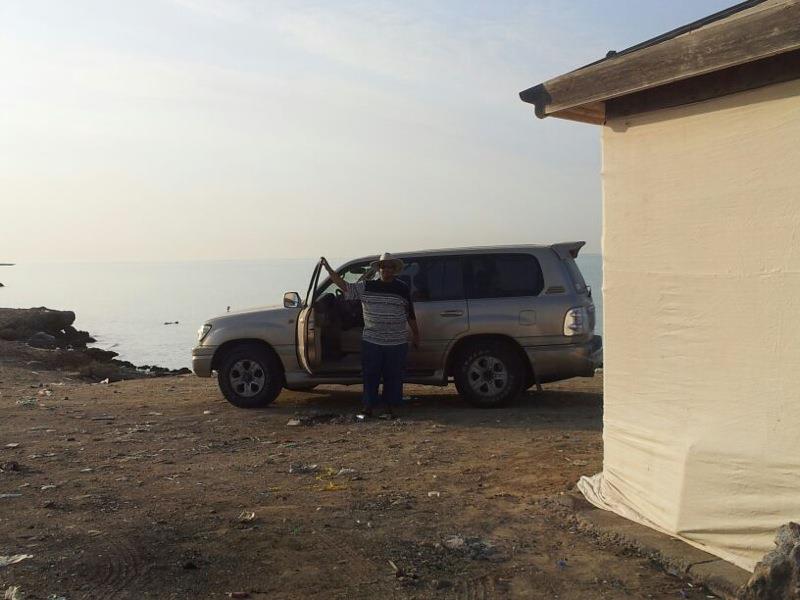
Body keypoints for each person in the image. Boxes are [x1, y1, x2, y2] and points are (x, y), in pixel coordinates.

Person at [321, 253, 419, 417]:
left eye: (390, 267)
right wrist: (329, 270)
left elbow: (410, 314)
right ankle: (368, 406)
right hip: (372, 341)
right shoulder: (367, 286)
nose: (386, 269)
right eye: (383, 266)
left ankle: (390, 407)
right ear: (379, 269)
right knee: (370, 375)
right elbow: (346, 287)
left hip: (396, 342)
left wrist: (416, 335)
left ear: (394, 269)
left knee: (393, 376)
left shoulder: (402, 288)